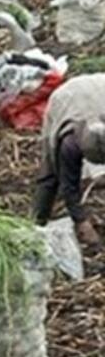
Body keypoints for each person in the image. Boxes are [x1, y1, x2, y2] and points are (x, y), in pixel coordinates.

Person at [33, 73, 105, 246]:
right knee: (50, 174)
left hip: (100, 89)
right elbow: (69, 184)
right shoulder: (69, 144)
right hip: (66, 98)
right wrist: (80, 220)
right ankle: (35, 226)